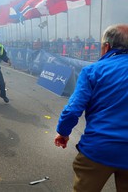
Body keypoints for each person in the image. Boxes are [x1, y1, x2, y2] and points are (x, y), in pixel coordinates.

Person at [54, 24, 128, 192]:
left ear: (107, 46)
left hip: (98, 149)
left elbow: (73, 110)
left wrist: (63, 132)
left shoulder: (92, 71)